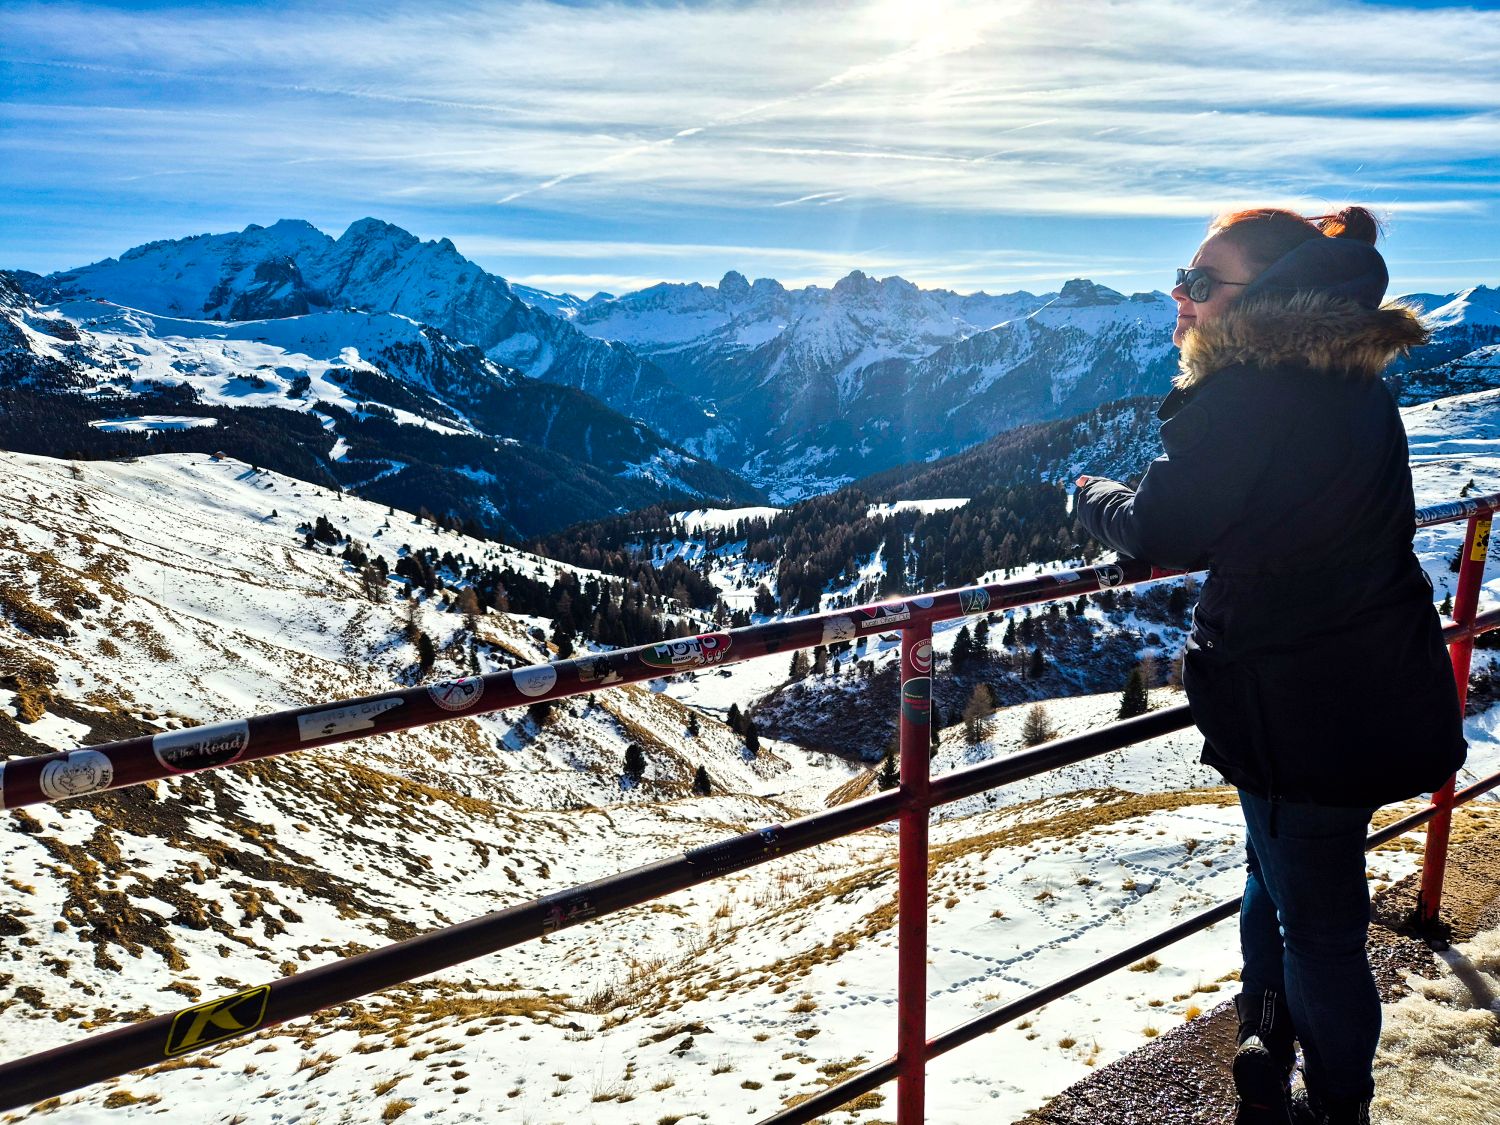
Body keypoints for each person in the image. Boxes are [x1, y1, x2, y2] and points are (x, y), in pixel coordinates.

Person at [1073, 206, 1466, 1125]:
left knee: (1322, 929)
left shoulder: (1252, 392)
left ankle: (1337, 1107)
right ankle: (1265, 1049)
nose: (1181, 294)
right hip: (1368, 682)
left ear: (1268, 300)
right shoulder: (1351, 383)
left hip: (1301, 708)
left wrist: (1088, 495)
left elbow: (1159, 523)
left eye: (1202, 282)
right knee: (1276, 882)